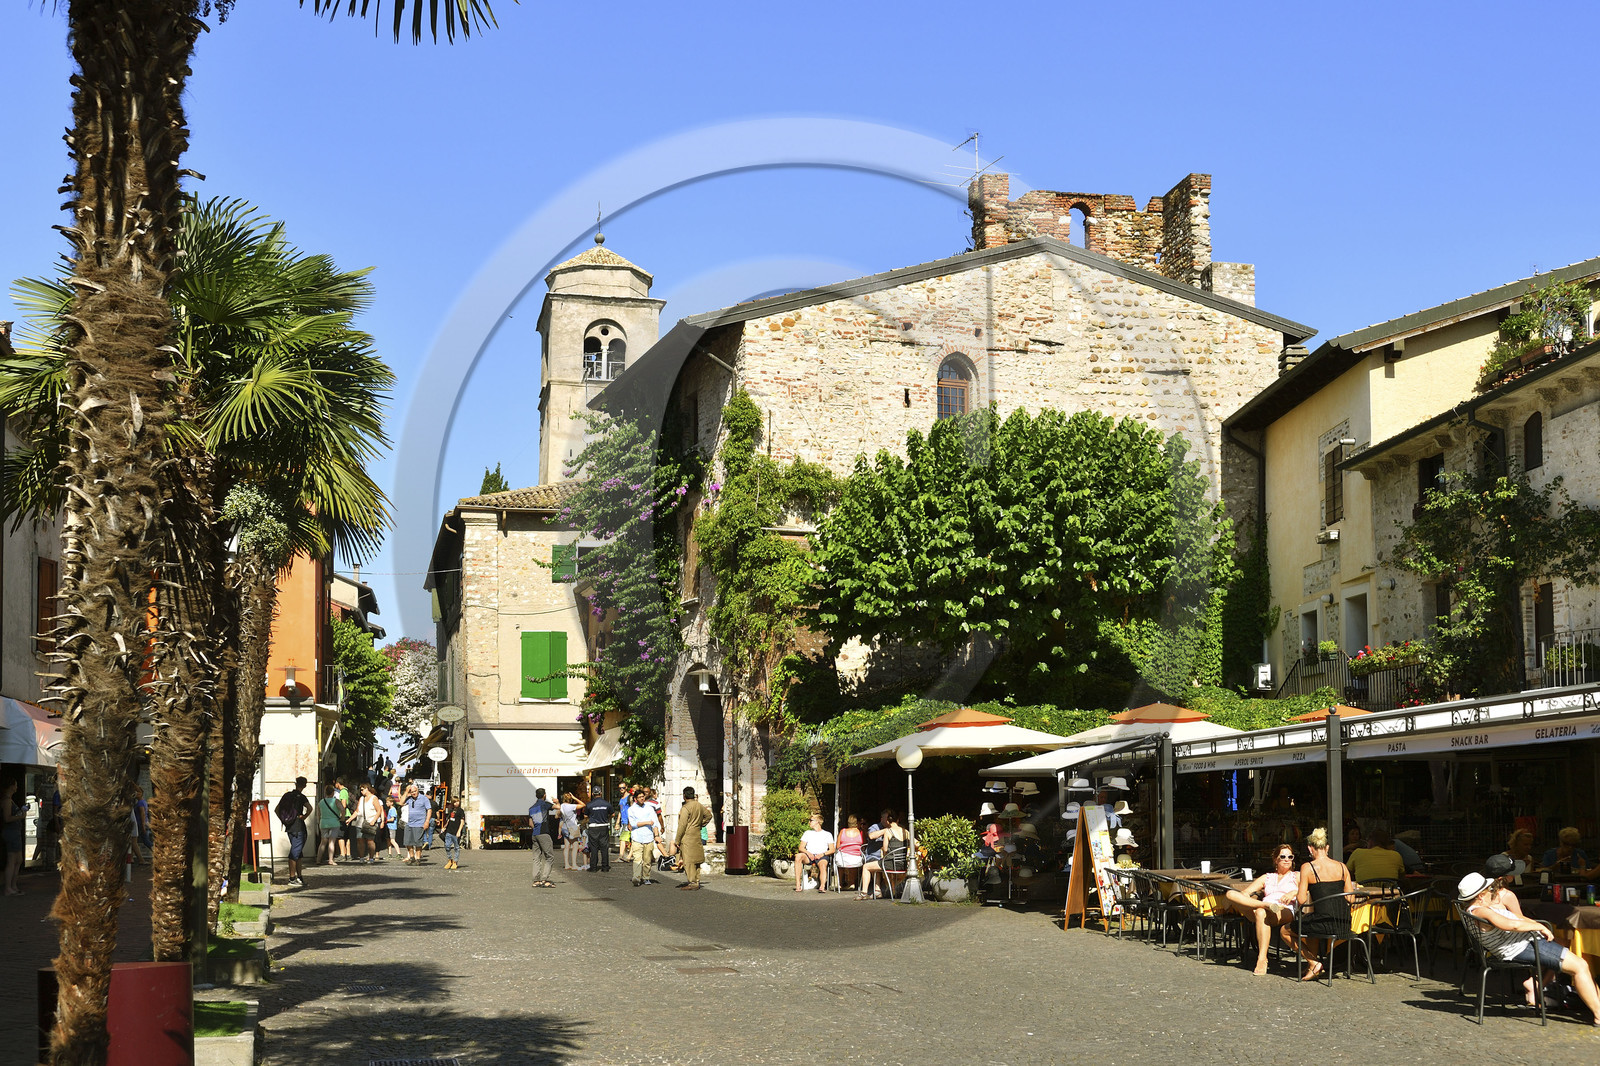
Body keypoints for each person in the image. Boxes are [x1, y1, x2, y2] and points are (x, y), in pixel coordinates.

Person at [1459, 870, 1600, 1022]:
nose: (1492, 893)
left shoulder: (1472, 910)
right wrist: (1539, 927)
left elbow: (1513, 918)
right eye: (1489, 891)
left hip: (1521, 945)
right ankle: (1598, 1014)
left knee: (1567, 948)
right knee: (1580, 966)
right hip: (1522, 946)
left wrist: (1536, 924)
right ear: (1480, 896)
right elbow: (1510, 925)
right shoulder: (1481, 911)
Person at [1224, 845, 1308, 976]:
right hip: (1264, 909)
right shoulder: (1267, 877)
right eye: (1283, 856)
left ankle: (1262, 959)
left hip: (1284, 909)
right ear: (1276, 859)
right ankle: (1266, 905)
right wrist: (1249, 899)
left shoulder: (1296, 876)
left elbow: (1308, 890)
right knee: (1230, 894)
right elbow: (1245, 892)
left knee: (1259, 911)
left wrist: (1293, 892)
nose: (1287, 859)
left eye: (1290, 857)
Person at [1294, 827, 1357, 982]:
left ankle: (1313, 962)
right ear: (1327, 847)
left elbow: (1301, 900)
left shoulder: (1307, 867)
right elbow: (1351, 899)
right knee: (1312, 921)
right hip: (1343, 924)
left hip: (1323, 923)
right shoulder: (1342, 867)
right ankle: (1312, 966)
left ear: (1310, 848)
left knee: (1285, 931)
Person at [275, 776, 312, 887]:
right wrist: (304, 817)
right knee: (295, 853)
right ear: (304, 785)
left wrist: (284, 820)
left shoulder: (287, 795)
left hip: (290, 827)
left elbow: (277, 809)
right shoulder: (301, 797)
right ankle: (292, 878)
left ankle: (299, 877)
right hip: (298, 826)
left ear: (295, 784)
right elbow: (310, 808)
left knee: (298, 852)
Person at [675, 786, 713, 890]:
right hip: (697, 833)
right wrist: (700, 824)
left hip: (687, 835)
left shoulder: (685, 808)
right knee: (697, 859)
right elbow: (709, 816)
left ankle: (692, 882)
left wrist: (677, 840)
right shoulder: (699, 805)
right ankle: (697, 880)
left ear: (684, 796)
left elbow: (682, 825)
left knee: (689, 860)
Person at [794, 813, 834, 892]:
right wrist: (808, 853)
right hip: (809, 855)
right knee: (798, 856)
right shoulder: (807, 833)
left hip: (821, 855)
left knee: (823, 864)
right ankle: (798, 884)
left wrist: (822, 854)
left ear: (817, 822)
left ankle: (822, 886)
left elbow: (832, 849)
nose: (809, 822)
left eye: (811, 820)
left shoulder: (827, 834)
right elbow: (801, 847)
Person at [527, 787, 557, 887]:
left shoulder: (531, 808)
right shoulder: (545, 804)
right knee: (549, 856)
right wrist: (556, 801)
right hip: (544, 833)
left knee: (536, 857)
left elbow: (530, 823)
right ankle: (544, 879)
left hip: (535, 834)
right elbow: (558, 808)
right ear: (544, 795)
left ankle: (536, 880)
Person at [877, 809, 910, 899]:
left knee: (866, 867)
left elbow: (884, 849)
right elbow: (916, 843)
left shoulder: (888, 831)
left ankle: (865, 892)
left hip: (890, 863)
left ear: (888, 821)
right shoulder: (905, 832)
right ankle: (893, 890)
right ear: (898, 820)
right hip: (902, 864)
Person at [628, 789, 657, 886]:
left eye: (643, 796)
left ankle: (646, 877)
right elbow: (633, 824)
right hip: (637, 837)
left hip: (648, 837)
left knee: (647, 860)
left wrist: (656, 835)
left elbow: (654, 822)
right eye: (640, 797)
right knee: (637, 859)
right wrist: (647, 822)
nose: (642, 798)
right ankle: (636, 877)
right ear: (635, 799)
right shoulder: (631, 809)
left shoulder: (649, 808)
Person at [2, 780, 26, 895]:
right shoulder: (6, 801)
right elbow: (7, 818)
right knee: (12, 859)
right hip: (11, 832)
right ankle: (8, 887)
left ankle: (13, 885)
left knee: (18, 859)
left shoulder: (10, 800)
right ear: (11, 786)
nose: (17, 787)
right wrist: (21, 816)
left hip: (15, 832)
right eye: (16, 784)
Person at [402, 782, 432, 865]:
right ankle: (412, 857)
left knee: (418, 842)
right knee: (408, 842)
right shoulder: (409, 798)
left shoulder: (424, 798)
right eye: (412, 792)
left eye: (415, 791)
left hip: (419, 823)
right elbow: (401, 803)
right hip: (409, 823)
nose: (413, 793)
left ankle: (418, 859)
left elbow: (429, 810)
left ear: (418, 790)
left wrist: (427, 821)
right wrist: (406, 792)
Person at [858, 814, 886, 900]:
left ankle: (879, 890)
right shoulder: (875, 827)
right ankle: (875, 890)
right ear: (882, 819)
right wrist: (886, 831)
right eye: (886, 818)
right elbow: (871, 835)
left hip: (887, 857)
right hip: (874, 855)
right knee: (874, 862)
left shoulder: (896, 829)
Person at [354, 782, 384, 863]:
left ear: (367, 789)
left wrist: (374, 820)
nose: (361, 791)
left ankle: (371, 857)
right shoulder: (361, 798)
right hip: (360, 822)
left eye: (362, 789)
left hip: (370, 822)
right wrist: (350, 819)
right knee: (360, 840)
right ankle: (361, 858)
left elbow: (379, 810)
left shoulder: (374, 798)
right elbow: (357, 810)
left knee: (370, 841)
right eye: (360, 790)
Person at [584, 789, 613, 872]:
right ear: (601, 793)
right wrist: (607, 818)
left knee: (594, 848)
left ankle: (593, 867)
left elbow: (586, 816)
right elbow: (613, 814)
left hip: (593, 827)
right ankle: (605, 867)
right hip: (604, 826)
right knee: (604, 847)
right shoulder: (607, 804)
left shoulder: (589, 805)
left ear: (593, 794)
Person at [316, 784, 344, 865]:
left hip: (323, 823)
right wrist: (341, 819)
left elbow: (318, 814)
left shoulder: (321, 802)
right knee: (332, 842)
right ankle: (331, 860)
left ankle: (318, 859)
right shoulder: (336, 801)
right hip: (334, 822)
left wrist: (319, 822)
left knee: (323, 842)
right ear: (333, 793)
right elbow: (342, 810)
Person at [835, 815, 864, 891]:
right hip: (856, 859)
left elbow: (838, 846)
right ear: (857, 823)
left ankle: (840, 883)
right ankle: (852, 883)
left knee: (840, 859)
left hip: (843, 859)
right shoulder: (861, 832)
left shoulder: (842, 831)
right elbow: (863, 846)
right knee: (854, 862)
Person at [559, 791, 586, 871]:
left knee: (566, 846)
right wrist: (574, 798)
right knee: (575, 846)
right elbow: (583, 805)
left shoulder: (562, 806)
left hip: (564, 826)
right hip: (572, 827)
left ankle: (567, 864)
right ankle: (574, 864)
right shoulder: (571, 806)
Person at [442, 799, 466, 871]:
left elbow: (462, 822)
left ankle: (455, 861)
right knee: (447, 846)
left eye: (458, 801)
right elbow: (449, 819)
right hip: (449, 831)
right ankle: (450, 860)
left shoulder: (460, 811)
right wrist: (444, 827)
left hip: (456, 832)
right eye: (455, 802)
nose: (456, 803)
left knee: (456, 847)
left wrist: (459, 831)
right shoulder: (451, 810)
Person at [131, 786, 152, 864]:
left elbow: (142, 814)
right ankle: (132, 857)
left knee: (145, 841)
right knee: (133, 841)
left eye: (138, 792)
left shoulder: (140, 803)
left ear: (141, 793)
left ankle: (156, 853)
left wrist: (143, 825)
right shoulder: (143, 802)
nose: (137, 794)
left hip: (140, 824)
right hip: (142, 823)